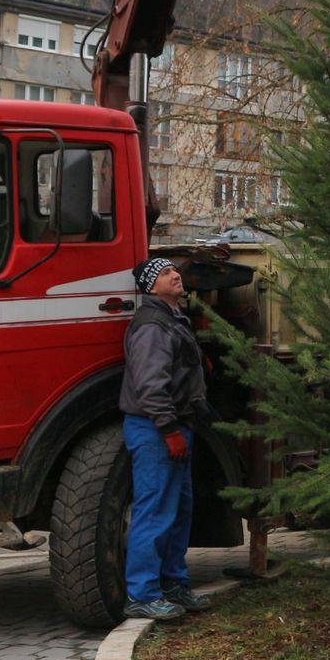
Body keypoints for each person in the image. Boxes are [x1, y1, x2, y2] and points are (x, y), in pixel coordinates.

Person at [118, 257, 212, 622]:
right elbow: (150, 384)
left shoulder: (172, 319)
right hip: (156, 430)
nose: (175, 275)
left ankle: (174, 584)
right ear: (150, 286)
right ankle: (141, 594)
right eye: (165, 273)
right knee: (154, 512)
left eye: (175, 270)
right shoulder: (152, 326)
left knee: (177, 511)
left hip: (173, 427)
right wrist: (169, 429)